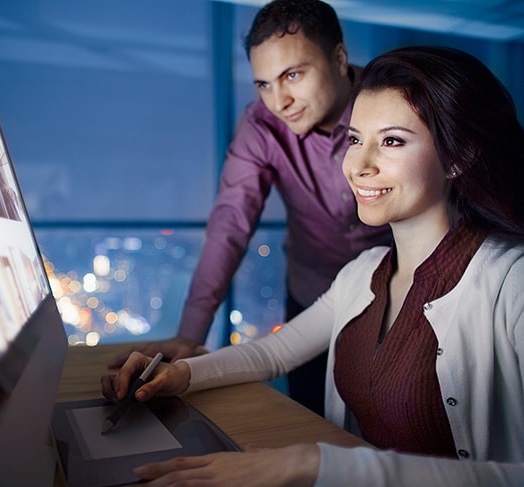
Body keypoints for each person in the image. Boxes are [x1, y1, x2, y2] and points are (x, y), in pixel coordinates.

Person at [102, 45, 524, 486]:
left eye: (392, 141)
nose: (358, 166)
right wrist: (180, 374)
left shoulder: (511, 282)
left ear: (459, 156)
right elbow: (274, 351)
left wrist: (315, 464)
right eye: (356, 140)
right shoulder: (364, 271)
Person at [109, 0, 391, 416]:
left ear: (340, 58)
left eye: (292, 75)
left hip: (401, 290)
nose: (280, 101)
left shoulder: (394, 104)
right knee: (310, 418)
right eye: (264, 84)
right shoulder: (261, 125)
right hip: (312, 294)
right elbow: (230, 224)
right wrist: (190, 335)